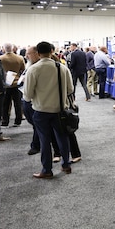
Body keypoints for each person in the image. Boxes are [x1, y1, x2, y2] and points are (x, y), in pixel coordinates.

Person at [23, 41, 74, 178]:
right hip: (60, 110)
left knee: (45, 140)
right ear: (52, 51)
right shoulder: (62, 68)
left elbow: (27, 95)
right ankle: (66, 164)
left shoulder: (33, 69)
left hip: (41, 110)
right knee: (62, 137)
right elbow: (70, 89)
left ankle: (47, 170)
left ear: (38, 54)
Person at [0, 42, 26, 127]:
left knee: (5, 104)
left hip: (5, 84)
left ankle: (5, 121)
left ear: (4, 48)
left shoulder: (0, 58)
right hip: (16, 83)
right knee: (17, 103)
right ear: (13, 48)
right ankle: (18, 120)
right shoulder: (19, 58)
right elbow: (23, 70)